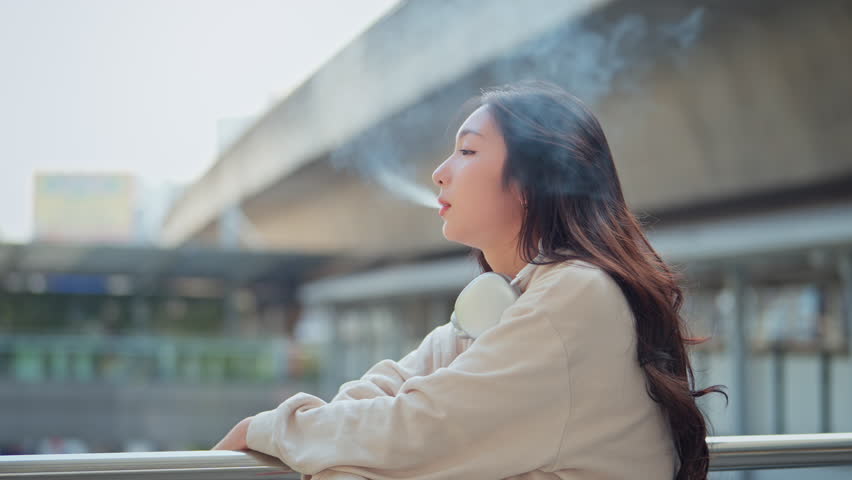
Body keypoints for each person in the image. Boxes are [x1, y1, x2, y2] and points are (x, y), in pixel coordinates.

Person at [213, 80, 726, 480]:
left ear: (533, 181)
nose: (440, 171)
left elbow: (421, 431)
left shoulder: (576, 297)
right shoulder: (509, 297)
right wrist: (303, 433)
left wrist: (267, 431)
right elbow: (390, 387)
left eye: (468, 151)